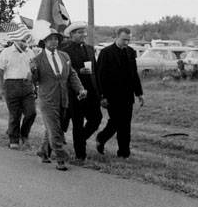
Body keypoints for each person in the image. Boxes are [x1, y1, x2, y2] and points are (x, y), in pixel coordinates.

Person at [31, 29, 87, 171]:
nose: (54, 42)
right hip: (47, 99)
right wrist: (32, 71)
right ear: (44, 42)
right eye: (50, 39)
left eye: (56, 39)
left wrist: (80, 89)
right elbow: (34, 80)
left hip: (63, 97)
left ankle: (43, 152)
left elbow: (72, 75)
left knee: (56, 126)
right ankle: (61, 157)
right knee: (55, 129)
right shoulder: (37, 59)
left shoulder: (64, 56)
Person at [95, 27, 144, 159]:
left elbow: (134, 75)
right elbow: (100, 76)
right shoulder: (106, 53)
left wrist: (139, 93)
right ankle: (101, 138)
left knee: (125, 125)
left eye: (128, 40)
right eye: (124, 40)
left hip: (127, 95)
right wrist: (102, 96)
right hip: (111, 95)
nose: (126, 43)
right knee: (116, 122)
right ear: (116, 37)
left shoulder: (130, 52)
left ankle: (123, 153)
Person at [61, 21, 102, 163]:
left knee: (96, 119)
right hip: (74, 92)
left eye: (84, 32)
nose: (83, 35)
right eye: (79, 32)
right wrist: (80, 71)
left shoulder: (90, 49)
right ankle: (80, 155)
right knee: (77, 123)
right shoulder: (65, 49)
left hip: (91, 92)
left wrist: (99, 91)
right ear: (72, 34)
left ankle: (80, 140)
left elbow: (95, 71)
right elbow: (64, 71)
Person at [0, 27, 36, 149]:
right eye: (23, 41)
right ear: (16, 40)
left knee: (31, 113)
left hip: (27, 86)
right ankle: (14, 139)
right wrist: (0, 89)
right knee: (15, 114)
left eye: (26, 41)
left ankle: (24, 134)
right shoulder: (6, 52)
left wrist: (33, 76)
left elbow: (34, 70)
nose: (25, 44)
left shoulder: (30, 53)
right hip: (11, 85)